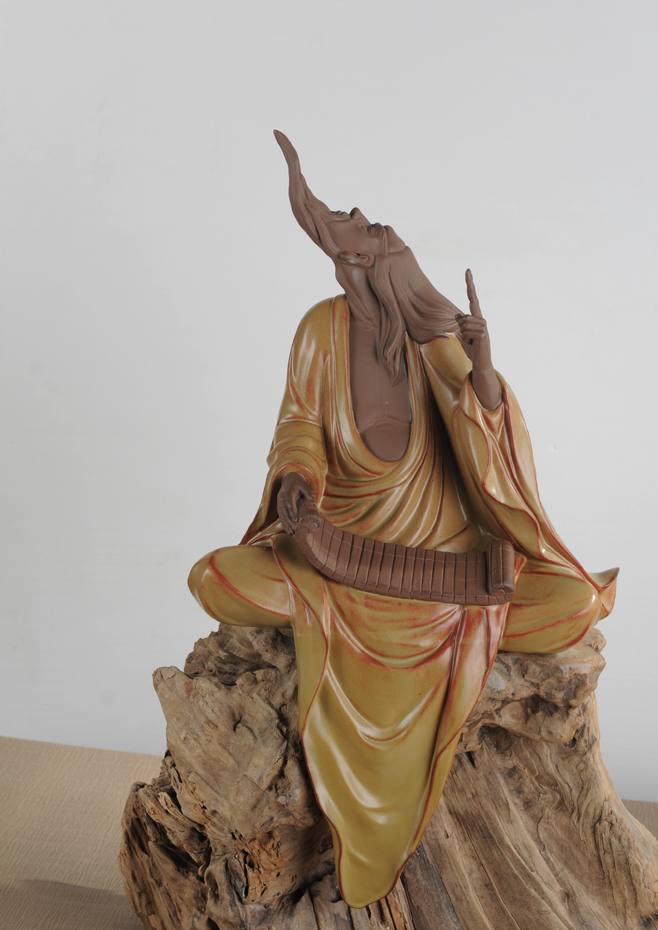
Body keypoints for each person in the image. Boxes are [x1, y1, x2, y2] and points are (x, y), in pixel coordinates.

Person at [188, 132, 618, 909]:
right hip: (336, 560)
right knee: (215, 577)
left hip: (444, 569)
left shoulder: (434, 346)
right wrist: (296, 482)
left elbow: (492, 453)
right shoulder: (320, 331)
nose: (365, 220)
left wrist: (483, 373)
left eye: (367, 225)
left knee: (574, 603)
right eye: (356, 228)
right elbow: (299, 426)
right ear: (354, 267)